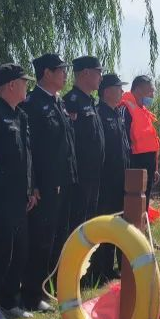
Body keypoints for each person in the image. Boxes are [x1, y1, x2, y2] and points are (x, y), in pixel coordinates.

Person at [0, 63, 37, 319]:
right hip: (0, 198)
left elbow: (27, 156)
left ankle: (10, 301)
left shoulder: (21, 116)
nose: (27, 87)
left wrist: (31, 187)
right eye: (24, 82)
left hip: (20, 198)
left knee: (20, 251)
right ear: (12, 85)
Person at [21, 53, 77, 313]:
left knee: (58, 238)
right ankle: (32, 294)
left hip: (64, 182)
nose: (65, 75)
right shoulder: (33, 104)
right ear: (46, 73)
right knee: (41, 240)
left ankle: (49, 287)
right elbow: (31, 149)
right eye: (61, 70)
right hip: (45, 185)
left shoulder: (58, 102)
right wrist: (34, 184)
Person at [88, 73, 131, 284]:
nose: (122, 91)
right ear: (106, 92)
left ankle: (109, 267)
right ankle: (99, 269)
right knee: (104, 223)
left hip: (121, 179)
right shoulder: (99, 113)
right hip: (106, 180)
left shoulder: (117, 114)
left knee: (116, 223)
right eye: (118, 88)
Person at [63, 56, 105, 244]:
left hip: (94, 176)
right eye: (98, 72)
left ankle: (88, 262)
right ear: (86, 73)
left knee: (90, 222)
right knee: (77, 224)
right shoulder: (72, 101)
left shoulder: (90, 101)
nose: (101, 77)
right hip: (80, 176)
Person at [121, 75, 160, 206]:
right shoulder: (126, 109)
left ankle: (144, 219)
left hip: (148, 165)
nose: (152, 96)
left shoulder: (144, 111)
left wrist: (155, 168)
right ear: (138, 90)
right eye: (150, 92)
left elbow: (151, 143)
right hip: (135, 165)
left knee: (145, 200)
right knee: (134, 203)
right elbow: (124, 141)